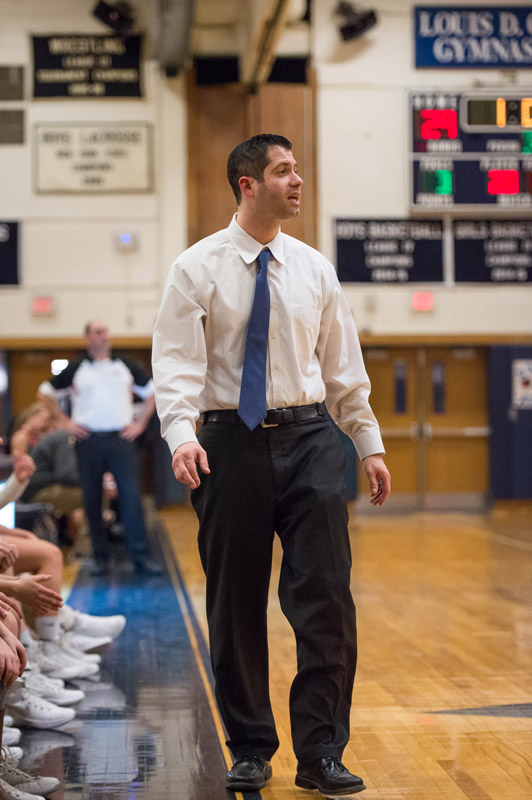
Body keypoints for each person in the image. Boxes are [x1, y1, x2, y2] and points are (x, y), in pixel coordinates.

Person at [152, 133, 391, 796]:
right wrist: (180, 435)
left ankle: (321, 751)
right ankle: (251, 745)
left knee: (326, 602)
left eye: (297, 170)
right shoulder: (195, 269)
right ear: (246, 184)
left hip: (313, 437)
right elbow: (174, 366)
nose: (297, 182)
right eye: (284, 171)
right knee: (235, 603)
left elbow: (344, 368)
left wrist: (366, 442)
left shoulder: (314, 269)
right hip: (230, 442)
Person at [37, 322, 162, 576]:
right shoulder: (77, 367)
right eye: (97, 332)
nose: (103, 336)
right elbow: (44, 393)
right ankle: (100, 558)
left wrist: (140, 423)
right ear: (87, 337)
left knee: (130, 497)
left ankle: (141, 557)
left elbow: (152, 393)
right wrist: (65, 423)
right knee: (92, 499)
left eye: (106, 331)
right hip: (88, 440)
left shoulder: (123, 364)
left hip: (121, 440)